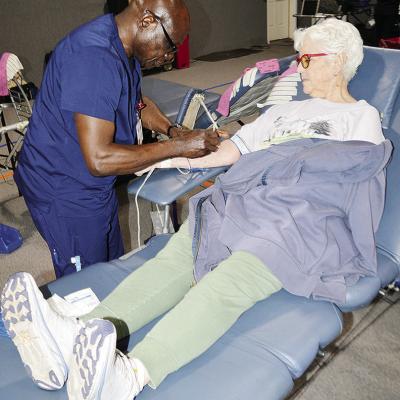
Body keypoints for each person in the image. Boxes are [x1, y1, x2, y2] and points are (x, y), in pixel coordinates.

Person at [1, 18, 389, 400]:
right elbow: (230, 151)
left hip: (297, 217)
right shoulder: (278, 113)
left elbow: (354, 174)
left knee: (226, 282)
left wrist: (288, 163)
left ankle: (131, 375)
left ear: (337, 60)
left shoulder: (361, 116)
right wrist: (161, 159)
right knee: (178, 256)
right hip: (243, 201)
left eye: (305, 59)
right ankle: (75, 333)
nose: (297, 68)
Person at [14, 0, 222, 278]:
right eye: (171, 45)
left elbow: (139, 104)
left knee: (110, 268)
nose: (170, 56)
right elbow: (100, 159)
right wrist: (177, 147)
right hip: (63, 188)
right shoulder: (94, 58)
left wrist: (173, 131)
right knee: (85, 285)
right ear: (147, 21)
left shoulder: (125, 48)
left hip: (94, 186)